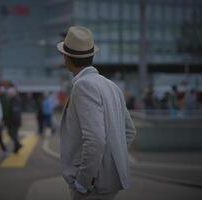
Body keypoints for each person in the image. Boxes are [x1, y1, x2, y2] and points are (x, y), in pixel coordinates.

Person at [57, 26, 136, 200]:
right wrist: (110, 163)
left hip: (92, 185)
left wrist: (83, 184)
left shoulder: (83, 86)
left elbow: (95, 139)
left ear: (66, 57)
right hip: (108, 182)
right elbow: (129, 131)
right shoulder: (111, 86)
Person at [5, 87, 23, 153]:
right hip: (15, 120)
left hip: (13, 121)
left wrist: (13, 120)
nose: (7, 95)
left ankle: (18, 144)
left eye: (8, 94)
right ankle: (16, 149)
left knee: (11, 133)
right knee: (14, 134)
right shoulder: (15, 99)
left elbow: (15, 111)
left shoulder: (14, 100)